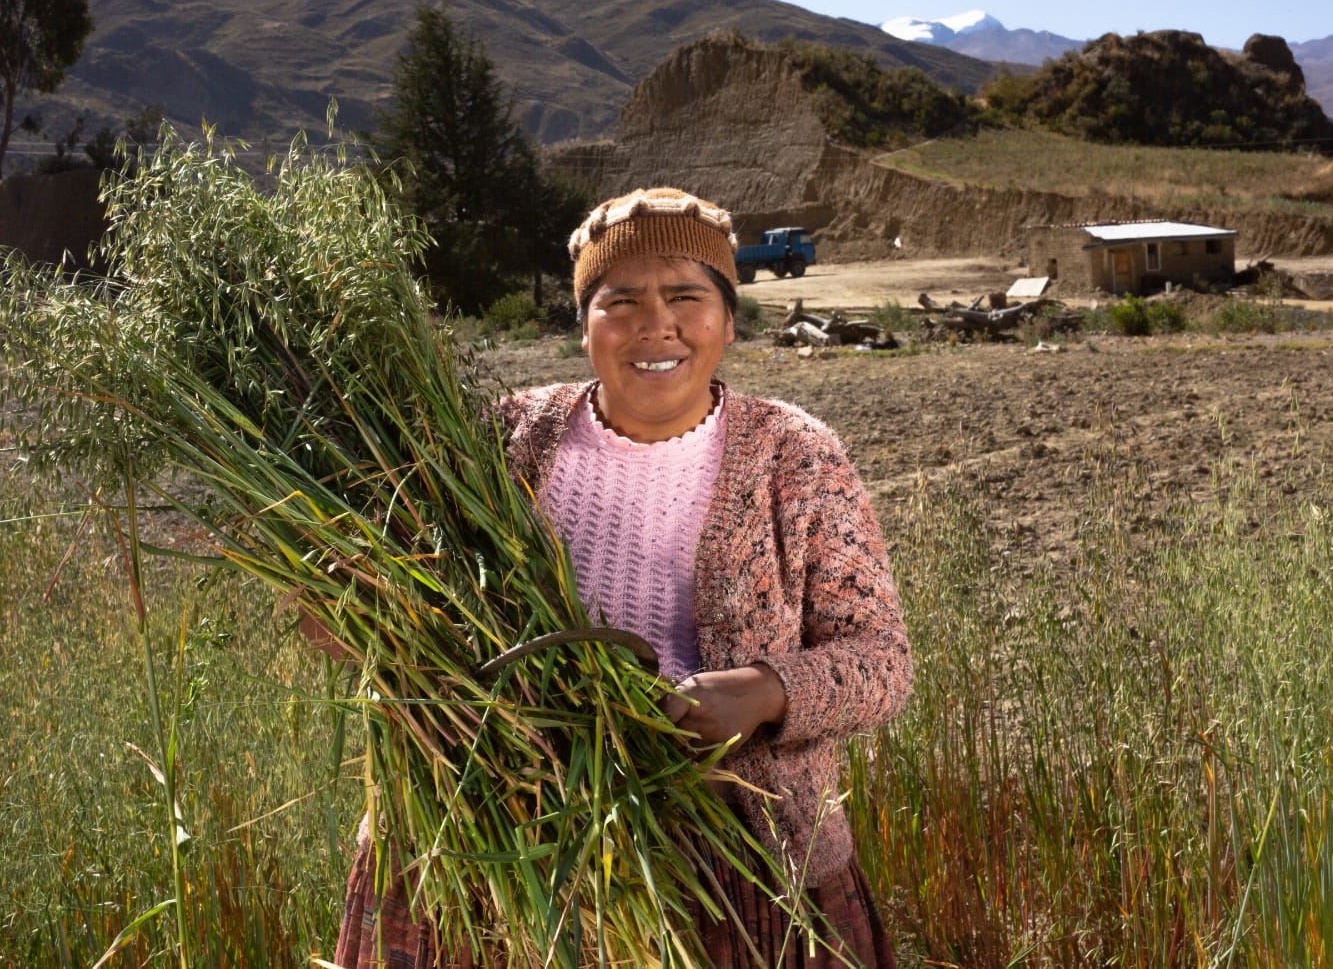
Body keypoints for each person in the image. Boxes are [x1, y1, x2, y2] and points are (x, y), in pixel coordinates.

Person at [320, 186, 914, 969]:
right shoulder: (502, 438)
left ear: (729, 320)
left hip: (734, 875)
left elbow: (882, 661)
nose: (654, 323)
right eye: (621, 299)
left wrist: (767, 691)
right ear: (584, 325)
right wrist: (351, 617)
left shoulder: (794, 455)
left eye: (686, 297)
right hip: (492, 854)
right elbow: (404, 613)